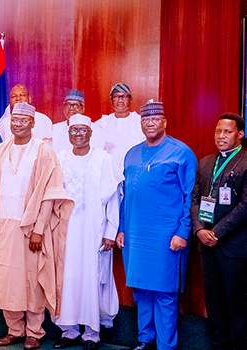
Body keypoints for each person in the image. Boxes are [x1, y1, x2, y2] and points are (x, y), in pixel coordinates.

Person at [0, 102, 73, 350]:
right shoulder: (0, 151)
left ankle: (34, 332)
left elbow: (50, 194)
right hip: (4, 227)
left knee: (33, 279)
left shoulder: (43, 152)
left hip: (31, 229)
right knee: (8, 278)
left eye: (23, 120)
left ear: (32, 123)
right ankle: (14, 330)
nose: (18, 124)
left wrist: (39, 228)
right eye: (15, 120)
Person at [115, 100, 197, 350]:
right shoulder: (132, 153)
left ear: (164, 122)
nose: (149, 123)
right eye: (145, 119)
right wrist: (120, 228)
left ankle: (166, 345)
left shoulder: (181, 153)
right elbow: (125, 195)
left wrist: (183, 231)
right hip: (135, 235)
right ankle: (144, 339)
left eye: (154, 119)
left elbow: (190, 196)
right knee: (141, 290)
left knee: (164, 293)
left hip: (166, 237)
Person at [54, 114, 123, 350]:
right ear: (68, 134)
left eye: (83, 130)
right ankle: (69, 330)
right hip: (66, 230)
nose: (78, 135)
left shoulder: (103, 159)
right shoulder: (60, 158)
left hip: (95, 229)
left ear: (91, 134)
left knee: (93, 278)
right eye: (74, 131)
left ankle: (92, 334)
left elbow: (113, 199)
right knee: (67, 278)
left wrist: (110, 232)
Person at [190, 113, 247, 349]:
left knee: (237, 304)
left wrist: (217, 232)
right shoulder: (205, 162)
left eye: (227, 132)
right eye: (218, 131)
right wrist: (200, 230)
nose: (221, 136)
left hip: (234, 247)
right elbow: (194, 200)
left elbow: (245, 205)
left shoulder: (245, 162)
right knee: (213, 303)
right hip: (206, 246)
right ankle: (218, 346)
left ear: (240, 135)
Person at [95, 83, 145, 168]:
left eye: (124, 96)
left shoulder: (140, 122)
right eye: (116, 97)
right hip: (110, 174)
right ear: (111, 100)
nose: (120, 100)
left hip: (135, 172)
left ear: (130, 99)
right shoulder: (101, 124)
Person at [52, 89, 109, 154]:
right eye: (68, 104)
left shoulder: (97, 131)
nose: (71, 108)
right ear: (63, 107)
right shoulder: (55, 129)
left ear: (83, 108)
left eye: (76, 105)